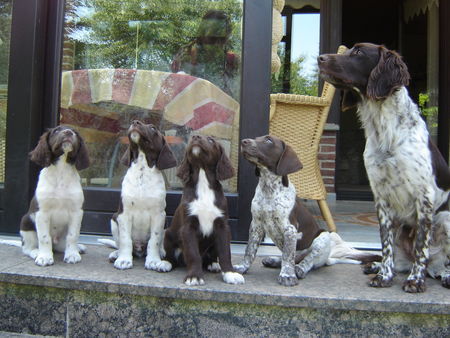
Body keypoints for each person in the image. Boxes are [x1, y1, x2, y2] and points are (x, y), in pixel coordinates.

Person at [171, 10, 239, 99]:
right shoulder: (186, 55)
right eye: (212, 38)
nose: (216, 42)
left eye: (221, 37)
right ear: (202, 33)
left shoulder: (232, 60)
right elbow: (173, 89)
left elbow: (238, 99)